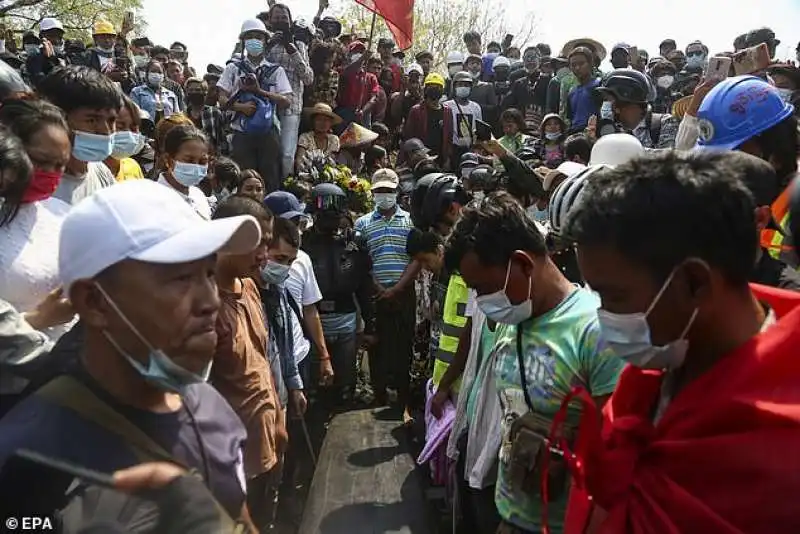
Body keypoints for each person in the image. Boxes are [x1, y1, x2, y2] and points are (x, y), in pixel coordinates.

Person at [0, 179, 262, 528]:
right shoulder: (27, 458)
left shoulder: (209, 406)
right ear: (94, 302)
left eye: (210, 273)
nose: (210, 301)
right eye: (181, 278)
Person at [562, 150, 800, 534]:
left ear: (694, 283)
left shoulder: (785, 445)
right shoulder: (643, 386)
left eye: (614, 297)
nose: (603, 315)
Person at [444, 191, 624, 534]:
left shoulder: (596, 332)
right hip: (510, 516)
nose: (481, 302)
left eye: (483, 288)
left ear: (523, 264)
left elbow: (618, 460)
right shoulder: (515, 322)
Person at [210, 195, 285, 532]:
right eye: (259, 244)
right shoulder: (206, 307)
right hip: (230, 462)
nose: (264, 255)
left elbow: (262, 359)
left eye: (267, 244)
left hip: (266, 443)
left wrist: (279, 420)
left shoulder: (251, 288)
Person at [356, 169, 420, 409]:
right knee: (377, 345)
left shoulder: (411, 221)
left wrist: (398, 288)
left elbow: (416, 258)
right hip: (374, 294)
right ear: (373, 193)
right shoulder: (362, 223)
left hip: (404, 293)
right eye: (380, 191)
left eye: (389, 191)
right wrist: (379, 288)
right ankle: (379, 393)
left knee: (404, 344)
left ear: (396, 192)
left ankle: (403, 394)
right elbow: (361, 261)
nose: (384, 195)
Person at [217, 18, 292, 193]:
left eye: (258, 36)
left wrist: (260, 92)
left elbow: (286, 101)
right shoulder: (233, 69)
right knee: (243, 178)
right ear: (243, 41)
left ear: (265, 41)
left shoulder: (276, 70)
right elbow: (221, 100)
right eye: (249, 36)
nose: (254, 40)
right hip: (241, 133)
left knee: (270, 177)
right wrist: (240, 108)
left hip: (269, 132)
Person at [37, 65, 118, 206]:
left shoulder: (102, 173)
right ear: (56, 118)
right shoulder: (32, 184)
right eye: (92, 120)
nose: (105, 130)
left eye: (111, 121)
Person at [265, 3, 314, 179]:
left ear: (290, 21)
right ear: (270, 21)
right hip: (266, 107)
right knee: (269, 153)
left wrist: (291, 48)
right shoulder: (265, 44)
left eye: (284, 18)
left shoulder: (299, 44)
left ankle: (287, 187)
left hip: (291, 107)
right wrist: (269, 45)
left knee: (287, 154)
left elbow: (308, 78)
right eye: (276, 17)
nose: (280, 21)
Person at [594, 68, 678, 149]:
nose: (606, 105)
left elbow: (666, 158)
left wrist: (625, 146)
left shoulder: (664, 123)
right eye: (605, 100)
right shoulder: (609, 129)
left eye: (609, 99)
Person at [156, 123, 213, 220]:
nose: (196, 166)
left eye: (202, 161)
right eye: (189, 160)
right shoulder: (154, 199)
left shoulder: (198, 195)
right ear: (167, 159)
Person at [443, 71, 482, 171]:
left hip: (471, 150)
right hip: (453, 150)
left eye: (466, 85)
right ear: (454, 86)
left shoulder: (476, 107)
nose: (463, 87)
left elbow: (479, 131)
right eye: (460, 84)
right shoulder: (447, 106)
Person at [404, 73, 446, 164]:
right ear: (426, 89)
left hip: (441, 159)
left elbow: (448, 137)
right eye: (432, 86)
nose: (435, 89)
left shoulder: (447, 111)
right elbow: (409, 136)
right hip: (420, 159)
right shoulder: (416, 110)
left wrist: (448, 160)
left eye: (438, 87)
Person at [185, 77, 229, 156]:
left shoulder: (214, 113)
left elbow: (222, 140)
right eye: (191, 90)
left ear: (205, 92)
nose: (194, 92)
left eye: (198, 90)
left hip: (210, 157)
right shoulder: (183, 115)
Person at [105, 95, 146, 182]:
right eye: (120, 126)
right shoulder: (89, 172)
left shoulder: (133, 167)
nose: (128, 133)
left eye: (133, 128)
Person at [296, 102, 342, 172]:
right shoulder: (305, 137)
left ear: (330, 123)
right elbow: (299, 160)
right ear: (313, 121)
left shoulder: (334, 139)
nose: (322, 123)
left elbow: (334, 162)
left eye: (326, 120)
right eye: (319, 119)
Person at [564, 46, 600, 134]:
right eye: (573, 65)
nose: (577, 68)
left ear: (591, 63)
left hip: (593, 134)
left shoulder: (598, 85)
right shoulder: (572, 92)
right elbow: (571, 118)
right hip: (575, 135)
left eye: (581, 63)